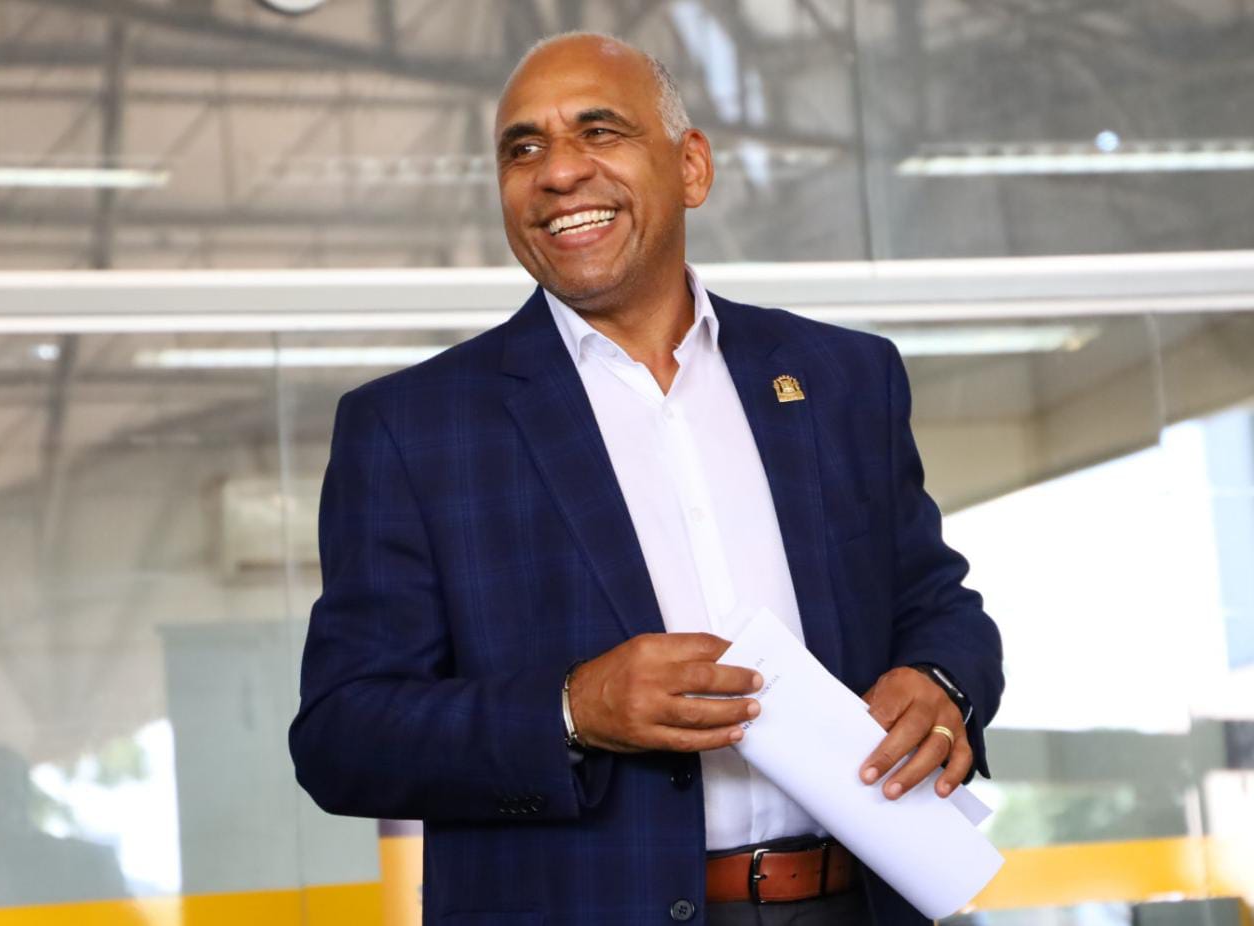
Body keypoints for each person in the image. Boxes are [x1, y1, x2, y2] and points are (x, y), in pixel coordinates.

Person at [290, 31, 1004, 926]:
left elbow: (939, 604)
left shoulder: (843, 379)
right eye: (524, 149)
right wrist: (572, 709)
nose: (559, 172)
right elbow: (343, 736)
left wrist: (943, 681)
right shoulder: (411, 429)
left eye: (599, 131)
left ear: (691, 167)